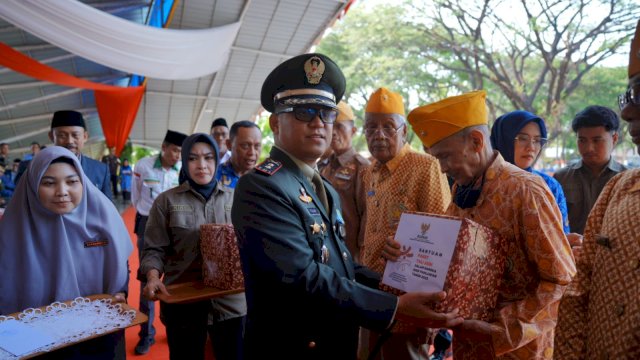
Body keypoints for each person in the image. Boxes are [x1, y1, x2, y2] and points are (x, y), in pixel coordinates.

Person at [231, 53, 463, 360]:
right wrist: (393, 306)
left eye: (326, 113)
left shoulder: (321, 185)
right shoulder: (262, 186)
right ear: (275, 122)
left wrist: (391, 287)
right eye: (304, 112)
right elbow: (300, 276)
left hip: (336, 339)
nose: (318, 123)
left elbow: (340, 261)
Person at [403, 90, 575, 359]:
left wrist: (498, 328)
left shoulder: (525, 190)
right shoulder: (463, 190)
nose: (443, 168)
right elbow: (448, 261)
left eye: (446, 157)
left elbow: (561, 281)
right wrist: (406, 256)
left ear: (475, 141)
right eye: (438, 159)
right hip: (468, 345)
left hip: (520, 350)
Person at [554, 20, 640, 360]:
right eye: (629, 94)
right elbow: (579, 292)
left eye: (639, 93)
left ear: (614, 139)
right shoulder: (621, 189)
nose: (628, 109)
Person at [0, 146, 132, 359]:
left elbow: (120, 261)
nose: (62, 191)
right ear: (32, 185)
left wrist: (122, 291)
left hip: (98, 331)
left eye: (72, 181)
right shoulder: (14, 228)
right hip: (37, 338)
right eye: (49, 183)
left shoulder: (103, 217)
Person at [360, 87, 451, 359]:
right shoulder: (370, 172)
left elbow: (442, 235)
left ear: (404, 132)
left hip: (409, 301)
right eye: (371, 127)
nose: (379, 134)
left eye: (389, 127)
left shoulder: (425, 166)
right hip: (372, 296)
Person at [140, 133, 246, 360]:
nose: (202, 165)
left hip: (231, 304)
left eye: (208, 158)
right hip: (183, 302)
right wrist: (152, 276)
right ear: (185, 162)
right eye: (193, 158)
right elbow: (154, 249)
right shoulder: (166, 201)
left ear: (217, 161)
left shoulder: (236, 199)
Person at [131, 129, 187, 354]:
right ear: (164, 147)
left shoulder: (183, 169)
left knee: (176, 277)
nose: (177, 155)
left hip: (175, 225)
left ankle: (175, 327)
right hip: (146, 223)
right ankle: (146, 335)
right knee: (148, 279)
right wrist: (147, 216)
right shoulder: (143, 166)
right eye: (174, 150)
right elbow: (135, 196)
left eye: (181, 152)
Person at [490, 110, 570, 233]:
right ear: (504, 139)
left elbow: (561, 237)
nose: (531, 147)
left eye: (537, 140)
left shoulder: (548, 185)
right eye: (522, 138)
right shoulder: (483, 184)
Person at [553, 105, 627, 234]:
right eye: (582, 140)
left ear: (614, 139)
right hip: (571, 252)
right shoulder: (561, 178)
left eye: (597, 140)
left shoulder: (627, 179)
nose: (589, 148)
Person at [16, 111, 112, 199]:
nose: (69, 141)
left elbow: (109, 209)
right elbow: (21, 203)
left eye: (75, 135)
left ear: (85, 136)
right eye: (62, 135)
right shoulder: (29, 168)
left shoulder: (101, 170)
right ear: (51, 136)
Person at [319, 101, 370, 262]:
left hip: (350, 254)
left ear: (353, 131)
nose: (333, 132)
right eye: (331, 126)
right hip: (326, 251)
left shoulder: (362, 167)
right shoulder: (324, 166)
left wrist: (361, 257)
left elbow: (367, 216)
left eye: (340, 127)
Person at [217, 120, 262, 189]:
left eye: (257, 146)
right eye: (245, 146)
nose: (252, 152)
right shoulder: (213, 177)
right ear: (229, 145)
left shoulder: (264, 179)